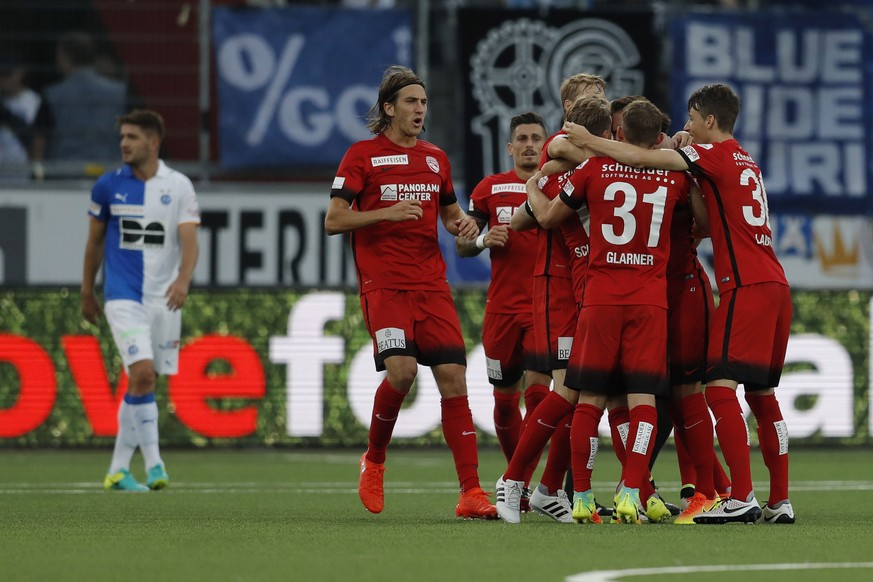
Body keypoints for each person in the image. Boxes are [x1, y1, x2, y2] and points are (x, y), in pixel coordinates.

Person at [563, 83, 793, 525]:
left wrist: (590, 142)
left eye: (690, 120)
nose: (685, 128)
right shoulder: (747, 160)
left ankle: (738, 495)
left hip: (742, 285)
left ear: (709, 121)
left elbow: (643, 158)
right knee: (763, 395)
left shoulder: (709, 156)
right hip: (774, 283)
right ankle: (778, 499)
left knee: (718, 389)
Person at [324, 65, 496, 519]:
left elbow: (450, 216)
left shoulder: (436, 158)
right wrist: (384, 213)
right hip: (384, 285)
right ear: (388, 108)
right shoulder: (361, 155)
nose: (420, 110)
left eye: (423, 103)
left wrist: (465, 226)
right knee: (401, 372)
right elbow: (334, 220)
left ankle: (471, 493)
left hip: (431, 285)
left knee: (454, 380)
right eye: (411, 102)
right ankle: (375, 459)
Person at [530, 99, 695, 524]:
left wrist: (536, 181)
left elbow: (548, 212)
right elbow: (701, 218)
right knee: (643, 403)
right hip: (649, 302)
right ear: (656, 137)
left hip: (601, 297)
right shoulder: (673, 178)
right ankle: (632, 489)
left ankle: (581, 495)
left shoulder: (593, 170)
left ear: (618, 134)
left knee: (588, 401)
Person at [497, 74, 608, 525]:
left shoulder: (600, 155)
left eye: (600, 99)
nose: (596, 105)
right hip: (565, 284)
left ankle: (550, 488)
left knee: (591, 396)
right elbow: (534, 216)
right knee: (570, 390)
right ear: (567, 107)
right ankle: (516, 481)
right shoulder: (564, 147)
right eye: (588, 99)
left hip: (600, 287)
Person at [82, 109, 200, 492]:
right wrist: (87, 289)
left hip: (163, 298)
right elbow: (94, 241)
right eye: (122, 137)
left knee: (143, 382)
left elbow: (190, 240)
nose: (124, 144)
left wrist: (183, 279)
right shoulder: (107, 186)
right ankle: (155, 466)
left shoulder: (179, 185)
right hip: (122, 296)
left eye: (132, 137)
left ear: (153, 141)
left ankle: (117, 469)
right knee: (144, 373)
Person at [456, 112, 552, 491]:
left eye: (536, 138)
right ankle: (519, 476)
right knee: (505, 400)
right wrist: (482, 240)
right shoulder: (489, 189)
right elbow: (463, 243)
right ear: (510, 147)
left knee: (540, 395)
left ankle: (520, 483)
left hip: (544, 307)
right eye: (522, 139)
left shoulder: (557, 185)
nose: (529, 144)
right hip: (501, 310)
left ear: (546, 145)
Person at [44, 31, 127, 164]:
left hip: (64, 173)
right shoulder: (118, 92)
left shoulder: (53, 94)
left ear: (65, 57)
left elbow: (42, 139)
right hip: (107, 169)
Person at [0, 51, 49, 180]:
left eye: (7, 74)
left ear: (20, 73)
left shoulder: (36, 102)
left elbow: (39, 140)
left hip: (24, 175)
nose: (3, 80)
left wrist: (38, 174)